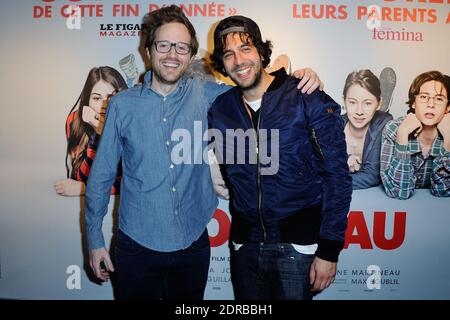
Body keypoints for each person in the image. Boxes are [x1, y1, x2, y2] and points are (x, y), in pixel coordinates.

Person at [84, 5, 322, 300]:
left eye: (182, 47)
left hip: (192, 248)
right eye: (164, 45)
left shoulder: (210, 95)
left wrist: (298, 76)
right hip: (136, 248)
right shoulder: (122, 105)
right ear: (148, 50)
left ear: (190, 55)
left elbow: (257, 84)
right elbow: (101, 176)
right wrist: (95, 240)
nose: (173, 54)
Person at [208, 15, 352, 300]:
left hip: (298, 249)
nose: (239, 60)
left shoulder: (304, 94)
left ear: (261, 52)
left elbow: (337, 175)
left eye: (246, 48)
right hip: (245, 248)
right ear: (222, 64)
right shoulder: (221, 109)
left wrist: (329, 250)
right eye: (228, 54)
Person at [54, 66, 127, 196]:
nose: (104, 105)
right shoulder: (75, 121)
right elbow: (81, 176)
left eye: (112, 97)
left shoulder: (131, 122)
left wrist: (85, 189)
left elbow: (133, 181)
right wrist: (97, 132)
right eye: (96, 98)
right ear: (87, 99)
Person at [380, 70, 450, 199]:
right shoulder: (394, 128)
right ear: (413, 103)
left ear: (447, 107)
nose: (431, 104)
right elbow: (400, 192)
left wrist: (448, 141)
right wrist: (402, 135)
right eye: (423, 97)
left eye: (439, 99)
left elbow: (443, 191)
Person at [342, 69, 393, 189]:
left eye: (367, 103)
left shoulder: (383, 125)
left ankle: (382, 106)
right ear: (343, 101)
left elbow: (371, 176)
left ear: (379, 103)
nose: (359, 112)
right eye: (352, 102)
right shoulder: (333, 125)